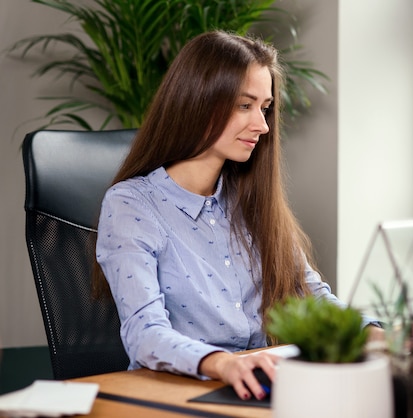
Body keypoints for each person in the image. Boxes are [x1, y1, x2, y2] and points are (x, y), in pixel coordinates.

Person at [92, 30, 385, 402]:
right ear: (197, 101)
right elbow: (144, 333)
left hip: (256, 389)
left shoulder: (250, 198)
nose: (262, 126)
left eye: (264, 108)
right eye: (245, 106)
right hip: (177, 394)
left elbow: (311, 295)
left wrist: (376, 333)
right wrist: (223, 363)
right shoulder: (132, 204)